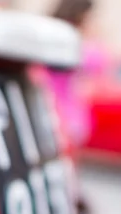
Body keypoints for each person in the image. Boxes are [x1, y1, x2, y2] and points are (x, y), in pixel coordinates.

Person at [48, 0, 104, 147]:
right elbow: (99, 61)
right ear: (81, 15)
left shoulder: (52, 34)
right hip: (64, 118)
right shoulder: (73, 42)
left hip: (53, 114)